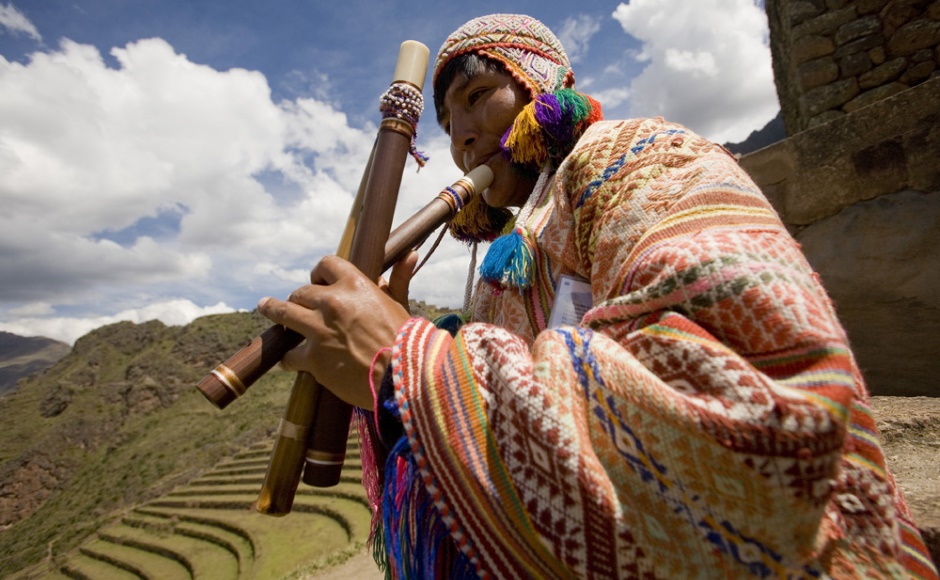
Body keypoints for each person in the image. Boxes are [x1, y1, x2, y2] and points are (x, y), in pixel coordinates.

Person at [258, 13, 938, 579]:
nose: (461, 136)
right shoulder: (503, 268)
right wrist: (396, 358)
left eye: (478, 95)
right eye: (445, 122)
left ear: (538, 86)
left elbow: (751, 408)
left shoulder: (636, 156)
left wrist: (409, 361)